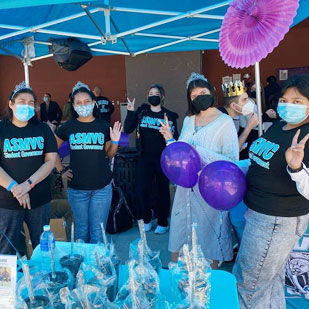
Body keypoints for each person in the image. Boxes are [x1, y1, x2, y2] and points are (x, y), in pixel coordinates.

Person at [233, 75, 309, 309]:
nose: (288, 105)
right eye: (285, 100)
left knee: (249, 287)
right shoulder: (278, 126)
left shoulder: (306, 136)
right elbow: (260, 161)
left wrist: (296, 167)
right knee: (270, 283)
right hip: (259, 216)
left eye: (297, 101)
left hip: (277, 219)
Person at [159, 73, 239, 268]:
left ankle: (208, 280)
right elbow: (182, 152)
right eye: (194, 96)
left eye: (202, 92)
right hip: (185, 188)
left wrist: (199, 153)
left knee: (208, 234)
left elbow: (232, 161)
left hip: (210, 189)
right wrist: (170, 140)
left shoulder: (224, 121)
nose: (199, 97)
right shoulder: (188, 120)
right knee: (180, 230)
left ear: (211, 92)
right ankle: (178, 275)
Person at [55, 81, 121, 243]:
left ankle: (97, 268)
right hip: (77, 189)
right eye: (78, 103)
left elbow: (109, 154)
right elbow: (52, 150)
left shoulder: (103, 126)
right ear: (73, 105)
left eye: (86, 102)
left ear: (93, 103)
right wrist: (61, 170)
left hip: (102, 187)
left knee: (98, 232)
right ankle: (83, 267)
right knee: (81, 231)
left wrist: (115, 142)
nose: (83, 105)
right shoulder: (68, 127)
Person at [0, 82, 57, 254]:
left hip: (39, 199)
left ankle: (43, 280)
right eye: (22, 101)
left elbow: (50, 161)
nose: (27, 106)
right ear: (11, 104)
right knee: (6, 249)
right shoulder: (1, 129)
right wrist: (15, 188)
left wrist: (27, 185)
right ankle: (9, 281)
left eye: (31, 103)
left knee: (42, 248)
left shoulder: (43, 129)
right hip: (7, 201)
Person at [124, 84, 179, 234]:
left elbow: (176, 138)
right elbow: (128, 129)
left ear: (162, 96)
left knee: (162, 191)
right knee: (143, 190)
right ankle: (146, 219)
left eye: (156, 93)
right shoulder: (142, 113)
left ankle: (162, 221)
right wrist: (130, 111)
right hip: (144, 158)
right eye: (150, 93)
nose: (153, 95)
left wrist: (170, 133)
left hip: (163, 159)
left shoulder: (169, 116)